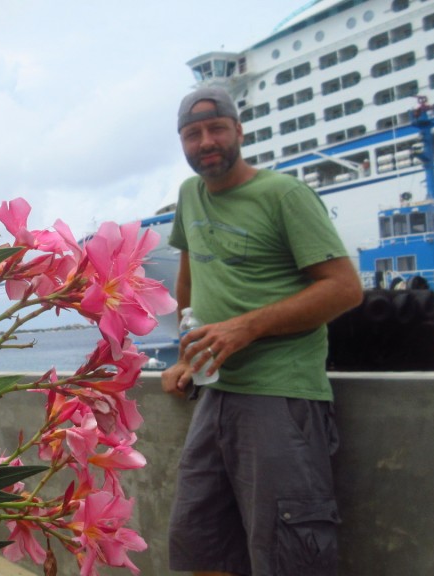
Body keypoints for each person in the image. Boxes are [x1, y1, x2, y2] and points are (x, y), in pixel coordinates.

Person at [160, 86, 363, 576]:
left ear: (238, 132)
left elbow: (344, 288)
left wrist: (245, 329)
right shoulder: (189, 196)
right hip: (215, 395)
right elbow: (191, 276)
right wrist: (185, 355)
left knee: (289, 556)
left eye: (216, 129)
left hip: (281, 397)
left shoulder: (284, 195)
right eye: (192, 134)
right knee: (201, 544)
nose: (205, 142)